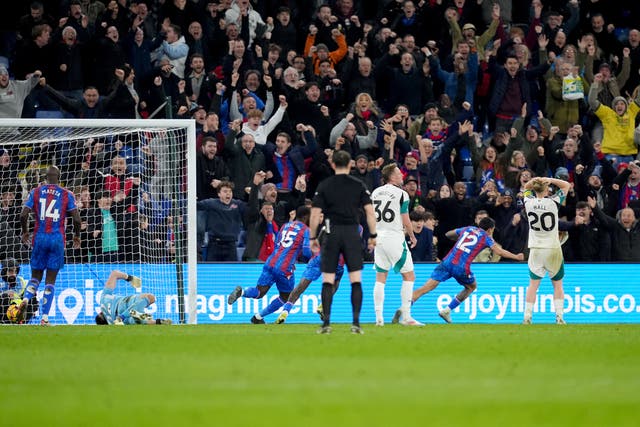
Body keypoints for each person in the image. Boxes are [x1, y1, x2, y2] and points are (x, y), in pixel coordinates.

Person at [309, 150, 377, 334]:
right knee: (355, 279)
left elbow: (315, 214)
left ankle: (326, 325)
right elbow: (370, 213)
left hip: (331, 233)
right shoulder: (359, 185)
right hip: (352, 233)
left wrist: (313, 237)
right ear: (350, 164)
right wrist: (373, 236)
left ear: (332, 165)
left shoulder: (324, 185)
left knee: (328, 280)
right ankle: (356, 324)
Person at [411, 217, 524, 323]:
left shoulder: (468, 228)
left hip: (446, 262)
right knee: (471, 286)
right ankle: (447, 310)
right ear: (490, 229)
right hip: (461, 267)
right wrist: (516, 256)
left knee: (427, 287)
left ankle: (406, 308)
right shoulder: (486, 237)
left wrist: (459, 239)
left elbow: (448, 234)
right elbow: (499, 252)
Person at [16, 166, 82, 325]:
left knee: (35, 276)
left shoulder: (35, 192)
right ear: (59, 177)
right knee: (50, 280)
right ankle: (45, 318)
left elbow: (23, 215)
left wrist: (25, 232)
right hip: (57, 239)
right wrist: (77, 236)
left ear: (45, 177)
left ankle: (25, 299)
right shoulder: (67, 194)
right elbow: (77, 219)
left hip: (39, 238)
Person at [227, 206, 312, 324]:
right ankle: (259, 316)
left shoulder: (285, 225)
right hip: (285, 268)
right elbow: (307, 252)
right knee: (286, 297)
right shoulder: (306, 230)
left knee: (259, 292)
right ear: (306, 217)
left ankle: (243, 293)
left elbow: (277, 242)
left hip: (270, 262)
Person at [370, 164, 422, 326]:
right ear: (392, 176)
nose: (402, 176)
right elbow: (405, 218)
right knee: (409, 276)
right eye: (399, 173)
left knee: (380, 278)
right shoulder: (402, 194)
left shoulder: (375, 192)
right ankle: (406, 317)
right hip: (394, 236)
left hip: (379, 237)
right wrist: (412, 235)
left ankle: (379, 318)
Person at [522, 176, 572, 325]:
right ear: (546, 189)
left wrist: (535, 180)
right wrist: (549, 179)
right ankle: (560, 317)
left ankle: (527, 317)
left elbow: (526, 188)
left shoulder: (528, 202)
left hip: (535, 248)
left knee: (533, 285)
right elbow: (566, 186)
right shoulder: (553, 202)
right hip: (552, 248)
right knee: (557, 285)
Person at [94, 269, 172, 325]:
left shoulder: (111, 323)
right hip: (124, 303)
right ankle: (123, 316)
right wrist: (130, 278)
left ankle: (156, 322)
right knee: (151, 298)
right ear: (100, 313)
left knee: (136, 320)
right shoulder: (103, 299)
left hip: (123, 321)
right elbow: (114, 273)